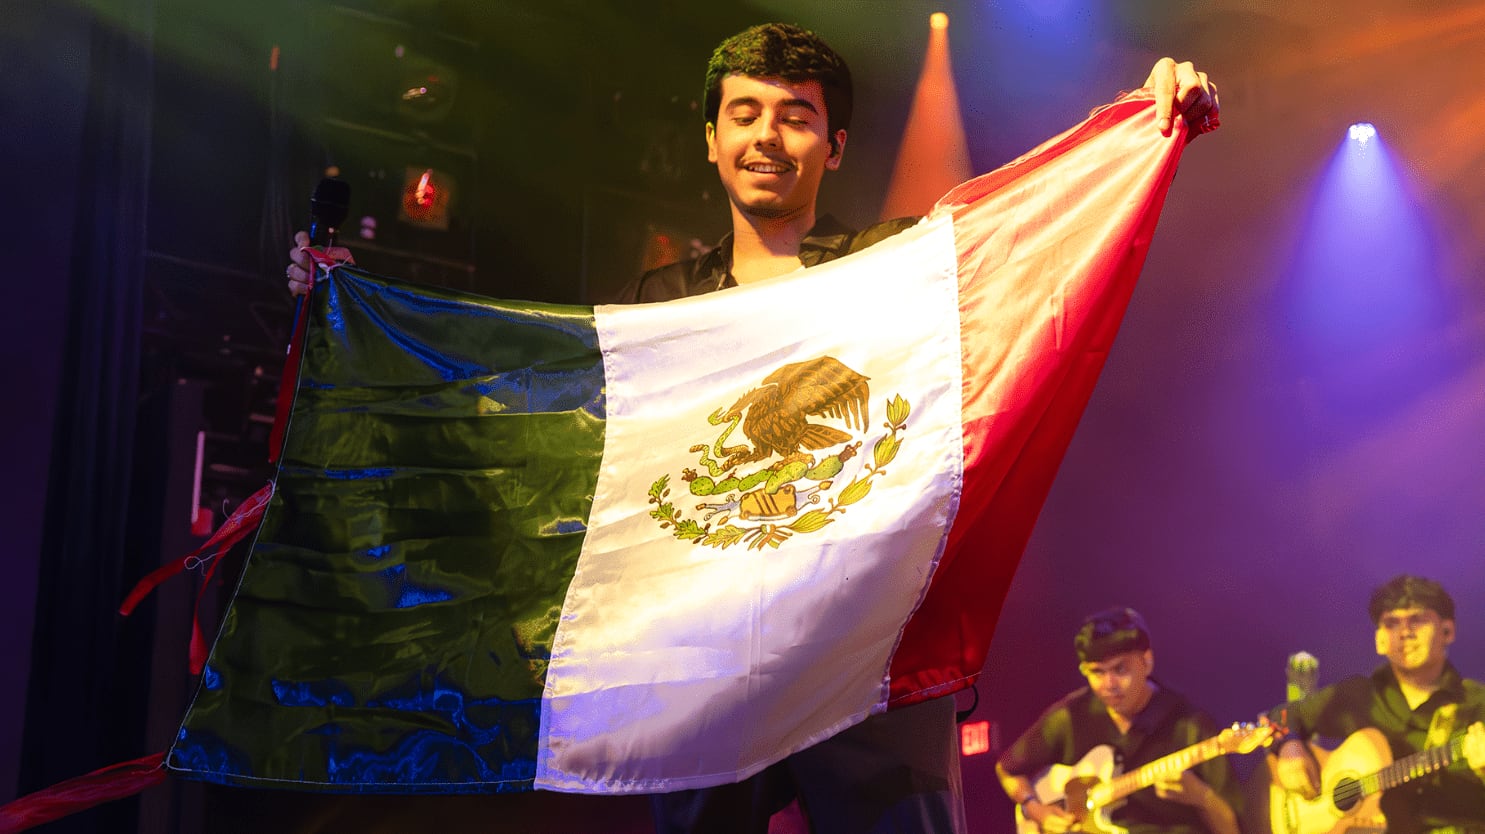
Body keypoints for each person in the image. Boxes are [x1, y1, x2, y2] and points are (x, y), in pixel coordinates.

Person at [286, 21, 1219, 834]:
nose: (767, 136)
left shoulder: (893, 270)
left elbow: (1033, 246)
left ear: (834, 145)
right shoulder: (659, 304)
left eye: (796, 115)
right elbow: (524, 421)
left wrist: (1144, 122)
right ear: (710, 139)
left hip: (869, 659)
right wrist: (349, 316)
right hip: (706, 663)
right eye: (744, 113)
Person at [996, 607, 1243, 834]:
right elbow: (1007, 769)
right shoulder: (1070, 716)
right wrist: (1034, 809)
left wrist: (1201, 796)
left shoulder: (1191, 725)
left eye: (1120, 670)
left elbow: (1233, 828)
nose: (1109, 685)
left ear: (1147, 661)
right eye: (1097, 672)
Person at [1269, 574, 1485, 834]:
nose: (1405, 632)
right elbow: (1279, 716)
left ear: (1447, 631)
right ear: (1379, 640)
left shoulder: (1476, 703)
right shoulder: (1358, 694)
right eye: (1391, 623)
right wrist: (1290, 749)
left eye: (1417, 620)